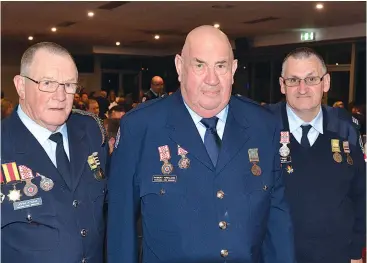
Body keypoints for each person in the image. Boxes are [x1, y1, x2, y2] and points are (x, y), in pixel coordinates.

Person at [107, 25, 294, 263]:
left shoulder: (263, 125)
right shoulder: (142, 126)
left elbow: (277, 219)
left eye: (221, 66)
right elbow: (121, 225)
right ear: (179, 67)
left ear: (233, 69)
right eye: (199, 65)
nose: (212, 79)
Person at [1, 42, 108, 263]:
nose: (60, 96)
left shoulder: (91, 132)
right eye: (47, 83)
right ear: (21, 86)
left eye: (69, 85)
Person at [265, 47, 366, 263]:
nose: (303, 88)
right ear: (282, 85)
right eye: (293, 80)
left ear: (325, 82)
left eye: (311, 79)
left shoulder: (345, 127)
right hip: (277, 256)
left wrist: (357, 252)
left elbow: (361, 194)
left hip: (335, 256)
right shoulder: (263, 126)